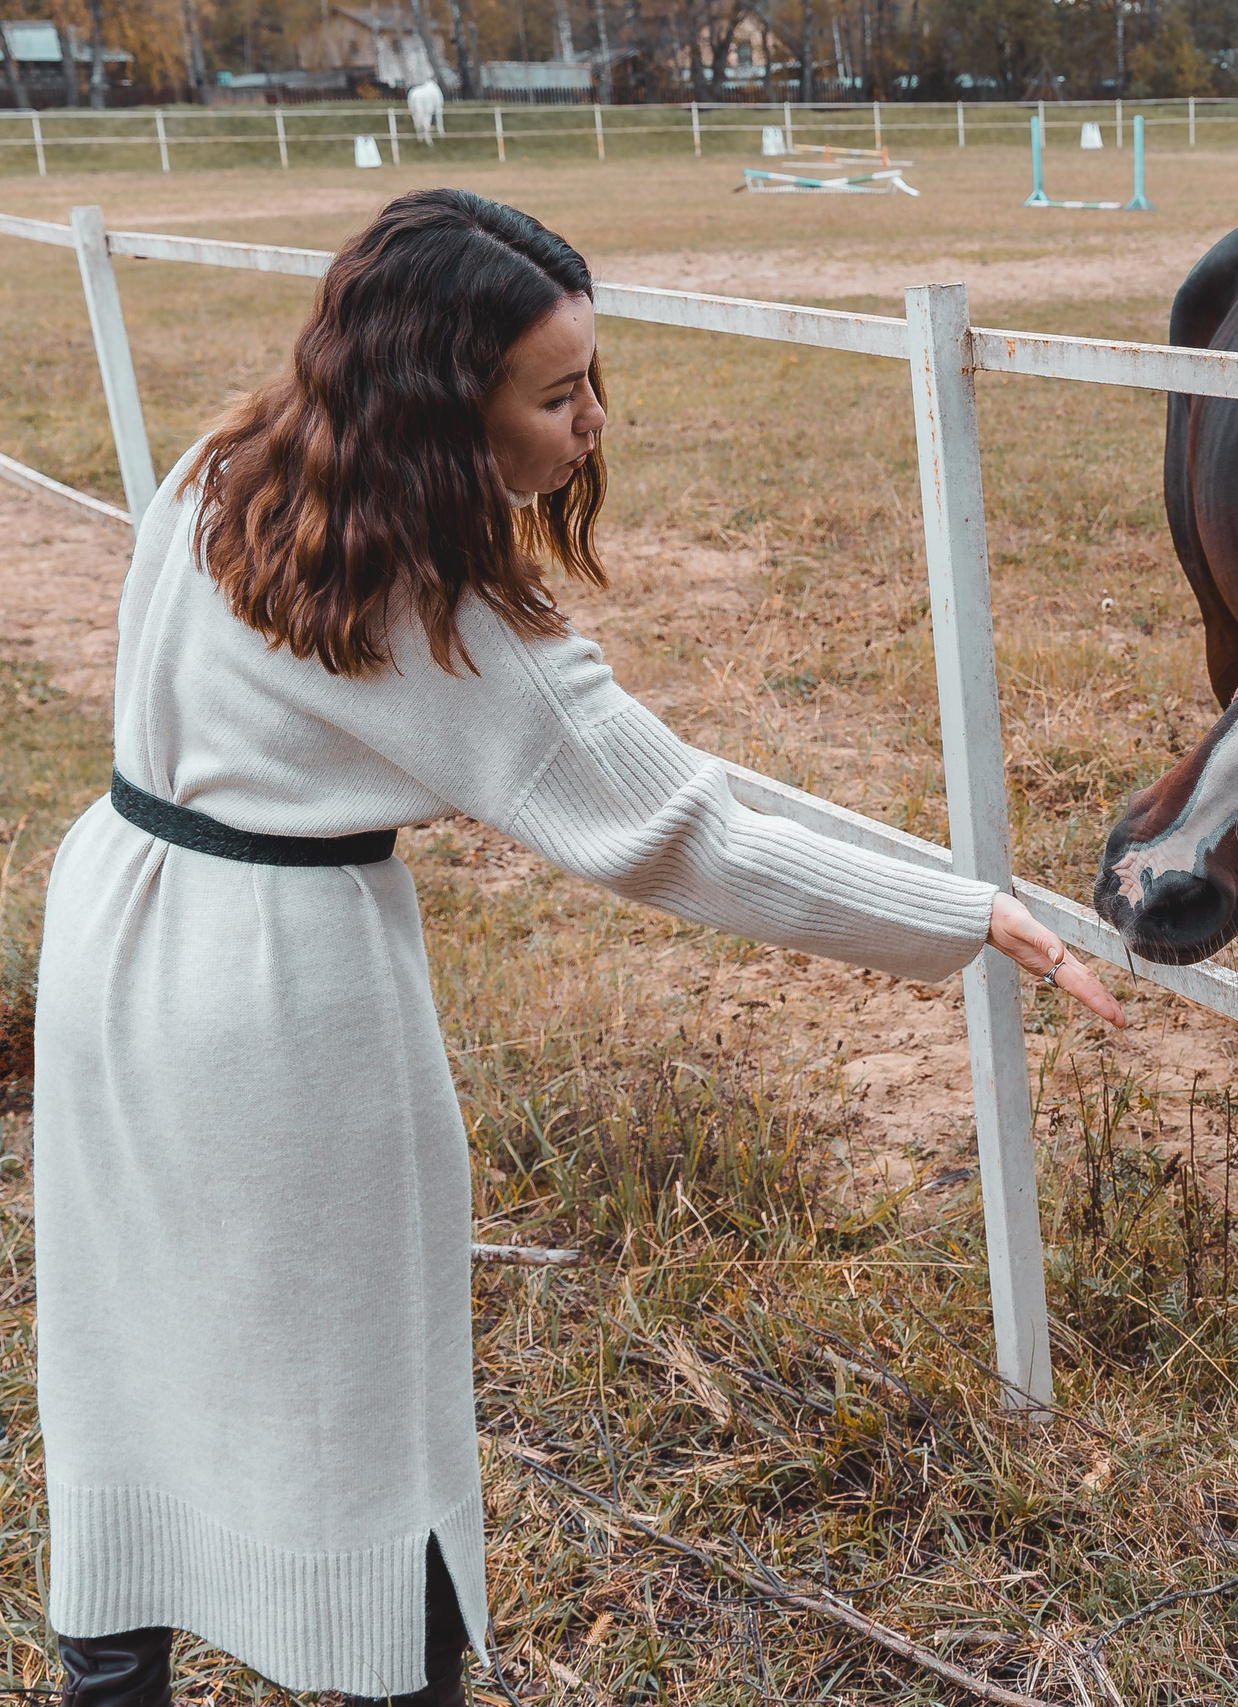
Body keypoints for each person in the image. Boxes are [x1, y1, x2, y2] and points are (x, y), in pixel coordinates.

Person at [31, 187, 1124, 1706]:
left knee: (128, 1342)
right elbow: (689, 832)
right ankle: (394, 1673)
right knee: (361, 1398)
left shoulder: (227, 471)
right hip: (278, 1004)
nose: (595, 422)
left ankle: (109, 1669)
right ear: (438, 408)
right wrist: (967, 913)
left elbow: (681, 788)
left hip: (111, 930)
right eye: (560, 394)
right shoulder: (443, 617)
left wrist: (950, 878)